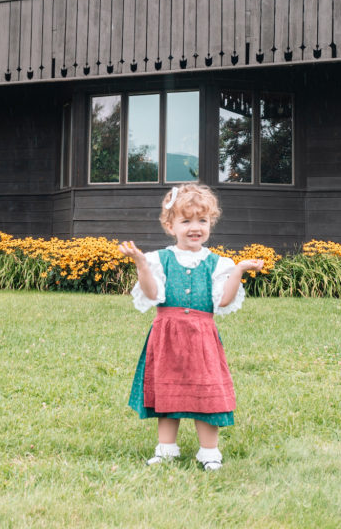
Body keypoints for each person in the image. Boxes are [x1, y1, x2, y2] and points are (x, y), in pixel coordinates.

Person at [118, 184, 263, 471]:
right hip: (167, 336)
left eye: (202, 221)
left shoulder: (218, 263)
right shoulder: (159, 259)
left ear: (210, 223)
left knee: (205, 391)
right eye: (186, 221)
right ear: (170, 226)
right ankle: (166, 449)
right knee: (167, 390)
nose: (195, 227)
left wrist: (239, 270)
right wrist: (141, 265)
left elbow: (223, 300)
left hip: (201, 337)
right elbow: (150, 293)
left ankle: (209, 452)